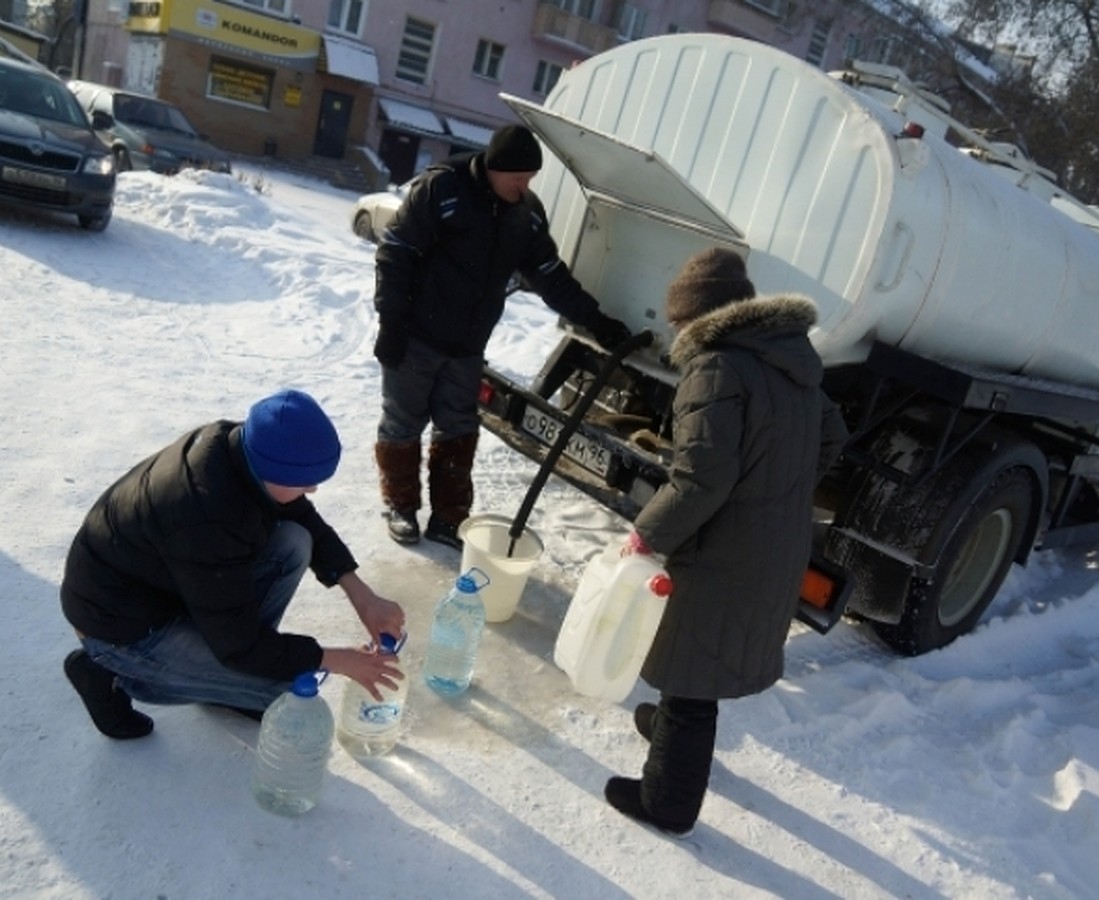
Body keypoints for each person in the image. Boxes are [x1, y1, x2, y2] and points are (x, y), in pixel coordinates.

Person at [604, 248, 848, 836]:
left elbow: (701, 478)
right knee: (695, 653)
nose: (674, 330)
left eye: (678, 320)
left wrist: (646, 535)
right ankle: (667, 731)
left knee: (694, 670)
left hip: (727, 545)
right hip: (771, 541)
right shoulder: (789, 361)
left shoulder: (714, 367)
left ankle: (668, 803)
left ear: (699, 316)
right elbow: (833, 440)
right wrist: (776, 489)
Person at [60, 389, 407, 740]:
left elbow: (302, 517)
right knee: (279, 691)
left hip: (174, 586)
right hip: (119, 627)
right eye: (304, 481)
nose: (313, 490)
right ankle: (109, 674)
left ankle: (229, 679)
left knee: (294, 541)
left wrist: (362, 596)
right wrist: (336, 659)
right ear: (275, 470)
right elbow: (240, 644)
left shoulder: (243, 447)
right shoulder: (204, 515)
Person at [372, 124, 631, 550]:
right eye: (519, 176)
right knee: (403, 421)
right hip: (416, 335)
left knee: (458, 426)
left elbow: (550, 275)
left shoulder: (525, 214)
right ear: (495, 167)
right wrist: (391, 323)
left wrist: (597, 322)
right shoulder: (443, 190)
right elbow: (395, 252)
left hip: (468, 346)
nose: (525, 185)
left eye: (530, 178)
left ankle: (448, 517)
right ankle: (400, 506)